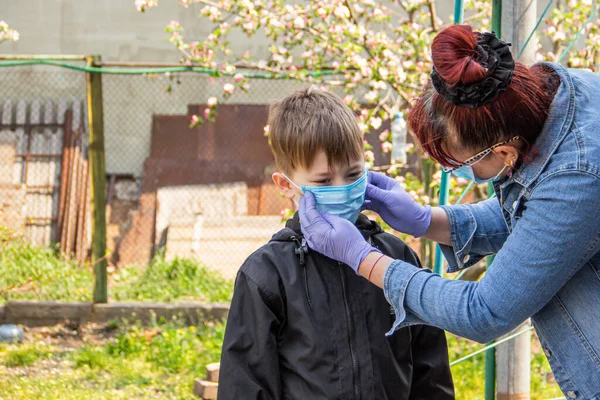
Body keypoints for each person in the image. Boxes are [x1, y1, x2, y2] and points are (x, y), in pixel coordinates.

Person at [298, 24, 600, 399]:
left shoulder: (580, 171)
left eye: (461, 164)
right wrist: (428, 220)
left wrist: (362, 259)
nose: (459, 172)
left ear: (505, 153)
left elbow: (484, 311)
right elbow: (537, 221)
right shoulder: (550, 94)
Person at [218, 88, 455, 400]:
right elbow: (245, 385)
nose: (342, 189)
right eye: (323, 181)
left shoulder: (397, 258)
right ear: (285, 185)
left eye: (353, 174)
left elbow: (430, 372)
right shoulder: (267, 275)